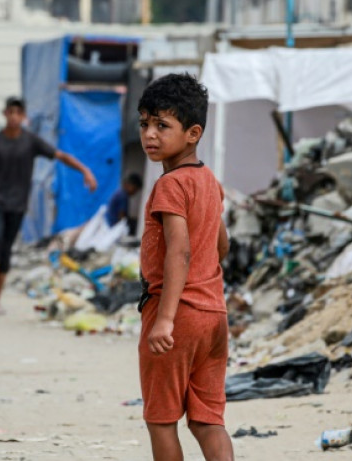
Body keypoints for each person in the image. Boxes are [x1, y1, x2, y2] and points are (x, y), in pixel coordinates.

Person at [135, 74, 233, 461]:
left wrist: (165, 319)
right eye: (144, 124)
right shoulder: (209, 181)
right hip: (214, 315)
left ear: (193, 133)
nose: (150, 135)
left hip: (176, 315)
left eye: (162, 125)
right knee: (207, 420)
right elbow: (220, 244)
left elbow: (179, 252)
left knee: (161, 420)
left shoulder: (170, 186)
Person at [0, 96, 98, 315]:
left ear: (23, 117)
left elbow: (60, 156)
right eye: (10, 112)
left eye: (17, 113)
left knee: (6, 248)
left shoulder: (31, 142)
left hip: (17, 204)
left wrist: (85, 171)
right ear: (5, 114)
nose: (13, 117)